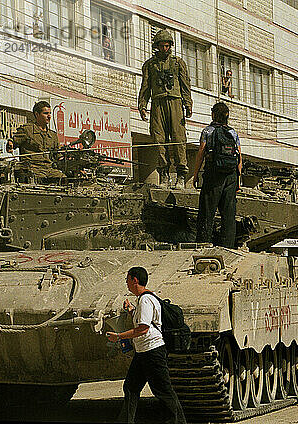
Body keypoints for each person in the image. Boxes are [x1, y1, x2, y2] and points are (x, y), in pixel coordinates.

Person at [106, 267, 186, 424]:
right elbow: (144, 320)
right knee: (130, 387)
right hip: (143, 351)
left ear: (135, 280)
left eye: (127, 280)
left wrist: (119, 336)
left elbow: (143, 328)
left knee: (163, 391)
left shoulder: (146, 299)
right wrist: (131, 311)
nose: (126, 283)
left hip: (153, 351)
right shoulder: (143, 300)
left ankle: (178, 421)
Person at [138, 29, 192, 189]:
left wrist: (188, 104)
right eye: (161, 46)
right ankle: (164, 174)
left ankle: (181, 174)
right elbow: (145, 86)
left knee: (178, 138)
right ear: (157, 46)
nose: (164, 49)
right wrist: (142, 105)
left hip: (175, 102)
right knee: (158, 139)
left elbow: (185, 85)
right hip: (157, 103)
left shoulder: (178, 63)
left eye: (167, 46)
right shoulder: (150, 65)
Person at [193, 102, 242, 248]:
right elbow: (239, 157)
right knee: (228, 215)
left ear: (213, 114)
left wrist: (195, 174)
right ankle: (228, 246)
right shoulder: (233, 133)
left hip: (213, 175)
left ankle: (204, 244)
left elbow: (201, 153)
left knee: (207, 212)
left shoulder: (207, 131)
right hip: (231, 176)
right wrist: (238, 179)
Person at [6, 100, 65, 183]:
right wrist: (10, 144)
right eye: (45, 113)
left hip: (49, 169)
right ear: (37, 114)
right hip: (32, 168)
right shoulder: (27, 130)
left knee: (63, 179)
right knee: (40, 179)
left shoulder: (53, 135)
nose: (49, 116)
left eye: (50, 113)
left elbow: (58, 154)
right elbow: (12, 142)